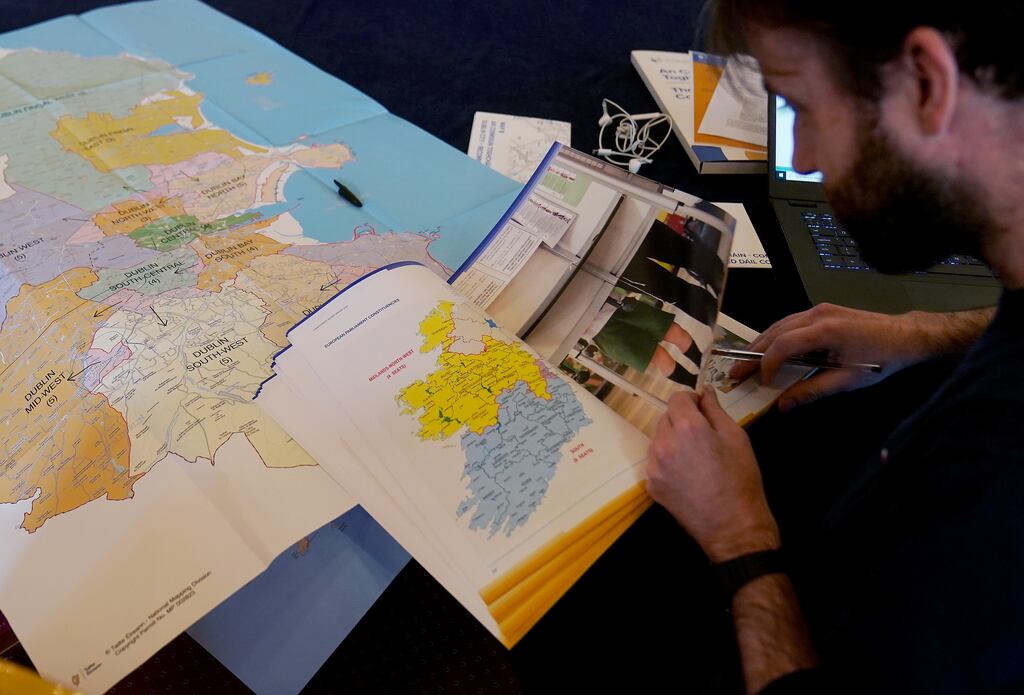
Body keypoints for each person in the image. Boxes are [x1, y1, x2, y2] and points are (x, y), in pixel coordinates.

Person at [646, 3, 1024, 694]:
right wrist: (920, 333)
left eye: (800, 107)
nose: (800, 159)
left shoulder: (991, 503)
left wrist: (741, 542)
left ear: (926, 82)